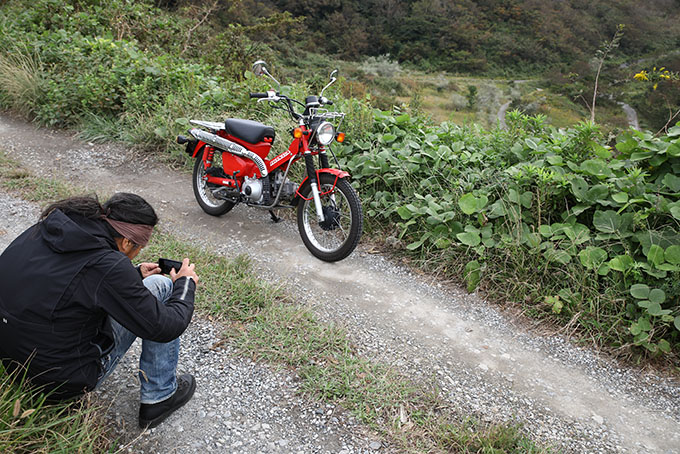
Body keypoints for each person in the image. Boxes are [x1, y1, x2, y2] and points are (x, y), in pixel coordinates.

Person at [0, 193, 199, 429]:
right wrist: (185, 285)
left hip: (13, 366)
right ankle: (160, 396)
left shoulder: (49, 229)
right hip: (60, 383)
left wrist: (132, 276)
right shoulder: (107, 266)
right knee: (163, 287)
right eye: (139, 247)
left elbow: (71, 284)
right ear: (126, 242)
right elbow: (165, 326)